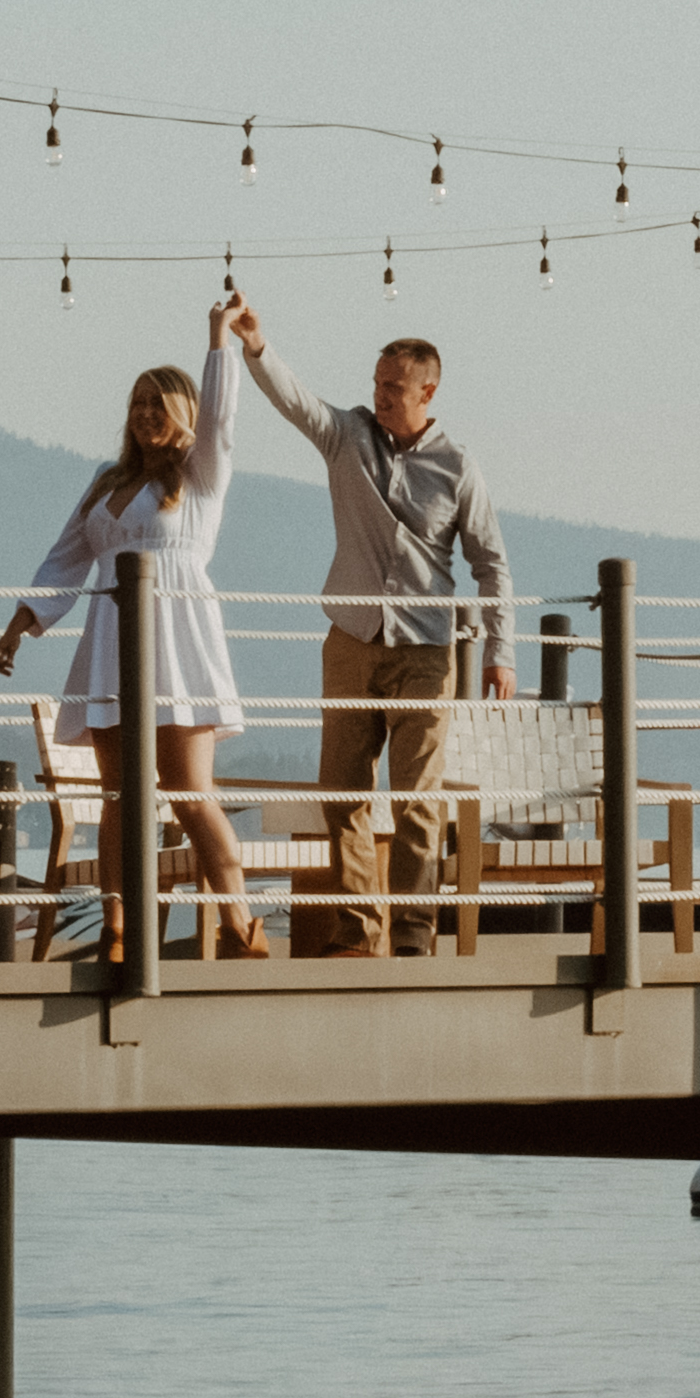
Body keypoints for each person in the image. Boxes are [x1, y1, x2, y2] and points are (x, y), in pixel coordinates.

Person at [229, 298, 507, 955]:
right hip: (350, 643)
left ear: (426, 390)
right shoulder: (347, 436)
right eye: (376, 383)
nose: (378, 395)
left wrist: (501, 651)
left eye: (392, 386)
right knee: (343, 795)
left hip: (426, 651)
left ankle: (412, 933)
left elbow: (492, 565)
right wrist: (257, 344)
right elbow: (296, 401)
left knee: (417, 802)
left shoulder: (458, 468)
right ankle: (357, 932)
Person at [0, 307, 260, 951]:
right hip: (112, 639)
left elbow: (221, 421)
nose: (146, 414)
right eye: (138, 402)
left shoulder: (199, 476)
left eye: (159, 404)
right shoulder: (106, 481)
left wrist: (218, 340)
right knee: (118, 796)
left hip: (180, 638)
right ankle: (117, 926)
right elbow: (65, 557)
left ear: (182, 414)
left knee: (191, 792)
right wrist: (21, 623)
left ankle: (239, 922)